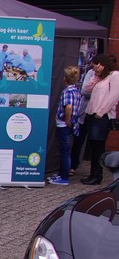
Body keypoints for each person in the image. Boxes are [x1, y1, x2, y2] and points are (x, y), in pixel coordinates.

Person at [80, 54, 119, 185]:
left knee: (98, 146)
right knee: (93, 145)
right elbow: (87, 89)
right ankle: (93, 174)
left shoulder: (114, 76)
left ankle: (97, 175)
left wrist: (101, 112)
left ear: (102, 64)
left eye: (95, 65)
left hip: (101, 116)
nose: (94, 68)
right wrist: (95, 77)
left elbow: (114, 96)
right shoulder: (101, 77)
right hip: (91, 114)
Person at [49, 66, 81, 185]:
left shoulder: (67, 91)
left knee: (64, 151)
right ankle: (62, 173)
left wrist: (67, 120)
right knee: (65, 150)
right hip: (70, 124)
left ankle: (64, 177)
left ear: (65, 78)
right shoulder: (76, 91)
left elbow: (68, 106)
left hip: (63, 125)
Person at [71, 63, 98, 176]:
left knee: (96, 142)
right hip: (84, 113)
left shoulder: (111, 77)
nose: (96, 67)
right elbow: (84, 91)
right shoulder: (91, 73)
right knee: (78, 140)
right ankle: (73, 165)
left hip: (98, 113)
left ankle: (95, 171)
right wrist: (99, 92)